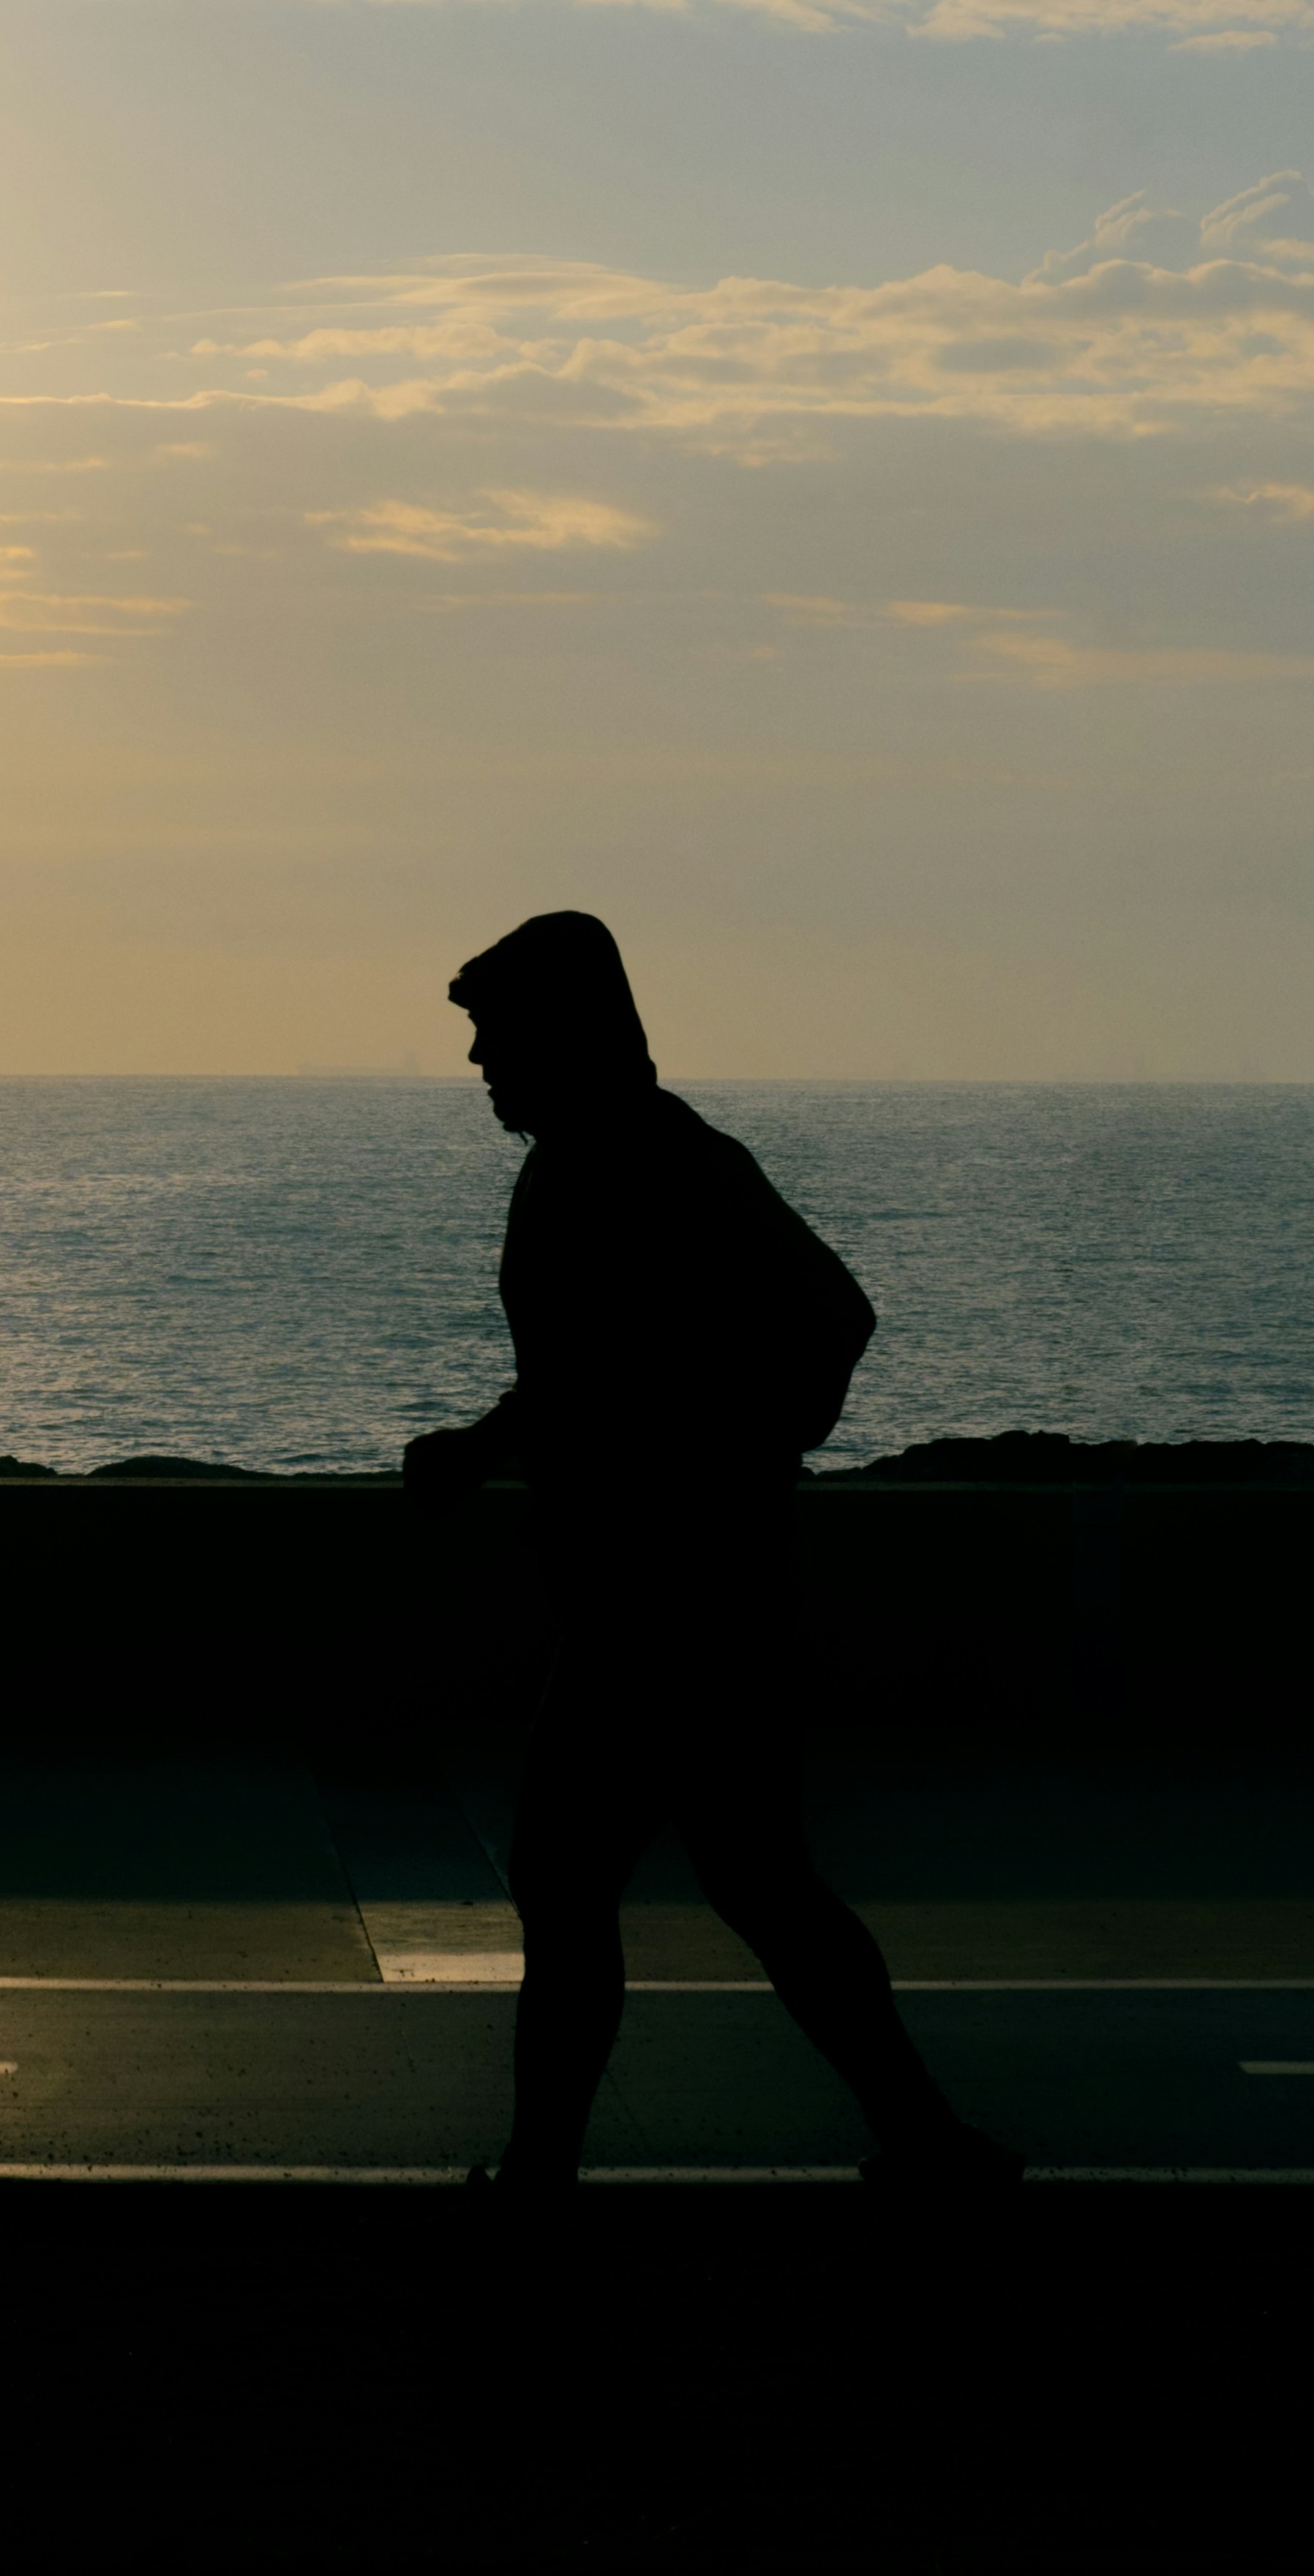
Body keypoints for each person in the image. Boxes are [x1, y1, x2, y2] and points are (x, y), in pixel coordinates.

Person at [404, 910, 1023, 2196]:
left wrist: (720, 1470)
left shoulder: (657, 1160)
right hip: (681, 1598)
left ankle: (542, 2171)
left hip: (666, 1609)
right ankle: (925, 2139)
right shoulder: (599, 1160)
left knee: (572, 1883)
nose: (480, 1062)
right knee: (758, 1884)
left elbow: (830, 1317)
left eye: (495, 1032)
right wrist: (491, 1441)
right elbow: (597, 1370)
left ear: (562, 1032)